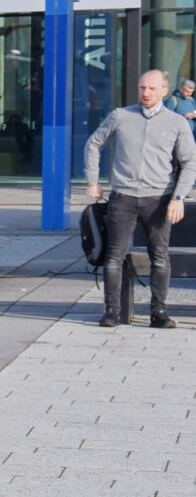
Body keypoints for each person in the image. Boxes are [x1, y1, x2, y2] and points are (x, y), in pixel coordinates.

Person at [86, 68, 196, 330]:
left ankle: (158, 312)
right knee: (114, 256)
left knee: (159, 257)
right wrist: (93, 180)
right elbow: (93, 143)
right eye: (142, 87)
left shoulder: (176, 122)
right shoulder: (122, 116)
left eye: (152, 88)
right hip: (122, 197)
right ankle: (112, 311)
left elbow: (190, 162)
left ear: (164, 91)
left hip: (158, 200)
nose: (145, 93)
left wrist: (178, 197)